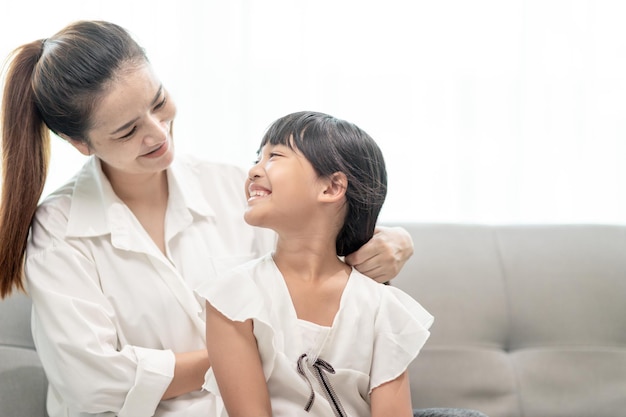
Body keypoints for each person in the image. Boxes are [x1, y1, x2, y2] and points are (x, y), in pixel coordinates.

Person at [0, 20, 415, 417]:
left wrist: (389, 240)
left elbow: (314, 252)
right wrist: (239, 356)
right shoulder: (58, 233)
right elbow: (91, 381)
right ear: (80, 143)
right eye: (128, 131)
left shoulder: (230, 186)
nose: (159, 134)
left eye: (159, 102)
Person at [199, 111, 433, 417]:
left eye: (275, 156)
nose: (254, 170)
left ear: (332, 187)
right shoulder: (233, 298)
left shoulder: (381, 307)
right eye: (258, 156)